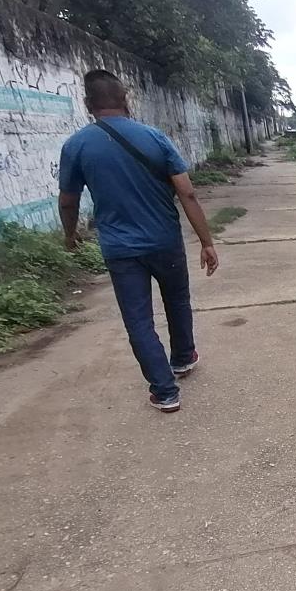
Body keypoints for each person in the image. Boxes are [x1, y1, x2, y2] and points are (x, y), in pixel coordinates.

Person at [58, 69, 220, 413]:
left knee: (138, 320)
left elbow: (68, 201)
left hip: (120, 249)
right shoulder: (155, 137)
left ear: (88, 103)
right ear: (125, 98)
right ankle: (182, 358)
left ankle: (165, 391)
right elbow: (187, 193)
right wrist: (206, 241)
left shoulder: (76, 146)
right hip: (165, 241)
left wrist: (70, 235)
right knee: (177, 300)